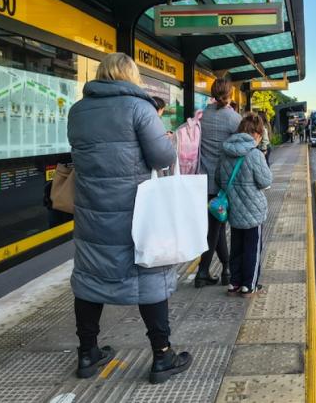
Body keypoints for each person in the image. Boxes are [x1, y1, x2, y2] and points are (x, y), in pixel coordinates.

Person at [67, 52, 191, 384]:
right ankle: (162, 357)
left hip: (92, 211)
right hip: (136, 211)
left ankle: (87, 353)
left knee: (90, 278)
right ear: (130, 75)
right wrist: (168, 140)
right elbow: (162, 156)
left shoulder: (78, 111)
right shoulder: (140, 108)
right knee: (148, 279)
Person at [216, 113, 272, 297]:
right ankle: (249, 284)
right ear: (256, 134)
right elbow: (265, 181)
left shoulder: (225, 152)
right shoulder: (255, 154)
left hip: (234, 209)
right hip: (253, 210)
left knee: (237, 247)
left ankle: (234, 283)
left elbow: (218, 179)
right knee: (253, 248)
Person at [197, 78, 242, 288]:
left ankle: (226, 269)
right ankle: (202, 272)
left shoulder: (203, 115)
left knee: (217, 224)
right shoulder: (234, 119)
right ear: (230, 94)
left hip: (202, 180)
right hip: (224, 182)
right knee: (215, 228)